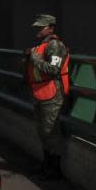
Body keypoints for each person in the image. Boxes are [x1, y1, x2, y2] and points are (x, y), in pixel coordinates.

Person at [24, 14, 70, 179]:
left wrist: (34, 59)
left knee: (51, 131)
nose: (37, 29)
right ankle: (47, 164)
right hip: (40, 93)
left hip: (52, 94)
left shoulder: (55, 46)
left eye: (41, 27)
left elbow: (53, 70)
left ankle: (55, 169)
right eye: (37, 26)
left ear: (50, 27)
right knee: (43, 131)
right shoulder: (41, 46)